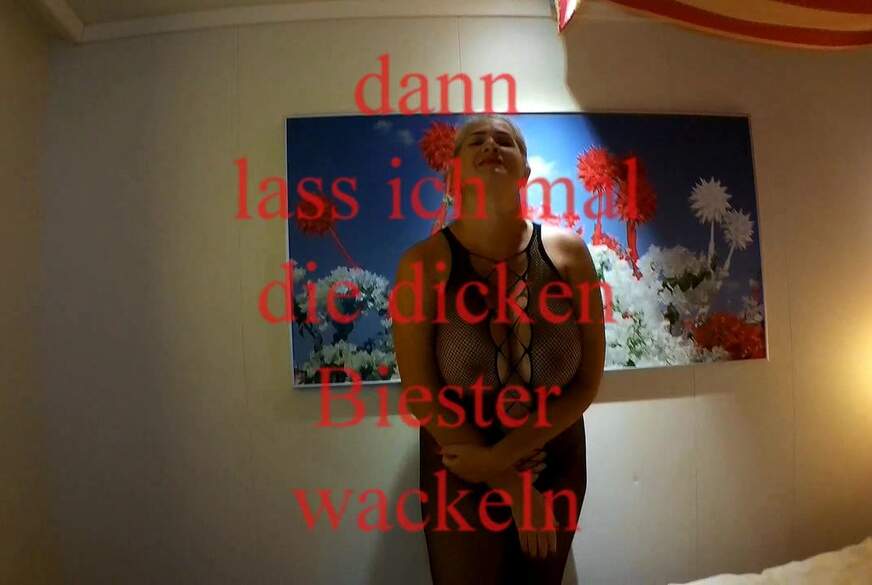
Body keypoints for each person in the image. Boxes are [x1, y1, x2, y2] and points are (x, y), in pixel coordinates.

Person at [391, 114, 606, 584]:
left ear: (524, 172)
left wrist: (504, 456)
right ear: (453, 174)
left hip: (555, 458)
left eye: (504, 140)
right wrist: (506, 479)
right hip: (460, 464)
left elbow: (588, 381)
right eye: (475, 141)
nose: (491, 145)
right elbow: (421, 393)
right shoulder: (422, 264)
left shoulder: (569, 254)